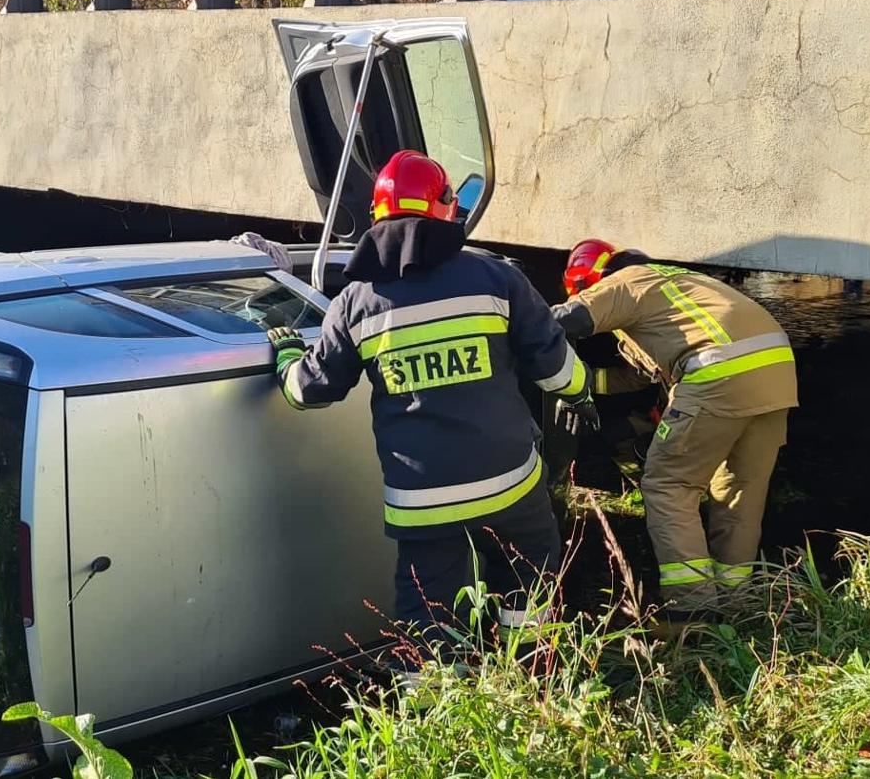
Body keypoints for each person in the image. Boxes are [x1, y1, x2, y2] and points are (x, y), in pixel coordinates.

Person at [265, 150, 598, 673]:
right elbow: (554, 367)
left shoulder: (355, 303)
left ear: (378, 217)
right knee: (529, 587)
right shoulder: (497, 279)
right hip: (510, 483)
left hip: (422, 502)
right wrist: (580, 395)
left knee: (430, 621)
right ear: (446, 209)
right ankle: (531, 690)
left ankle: (441, 723)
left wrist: (285, 356)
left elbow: (309, 392)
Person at [553, 239, 797, 618]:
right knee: (738, 493)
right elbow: (638, 376)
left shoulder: (626, 281)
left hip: (718, 373)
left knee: (668, 486)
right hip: (776, 373)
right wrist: (585, 381)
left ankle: (693, 612)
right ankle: (737, 606)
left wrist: (529, 344)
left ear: (592, 280)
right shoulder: (674, 285)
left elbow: (566, 319)